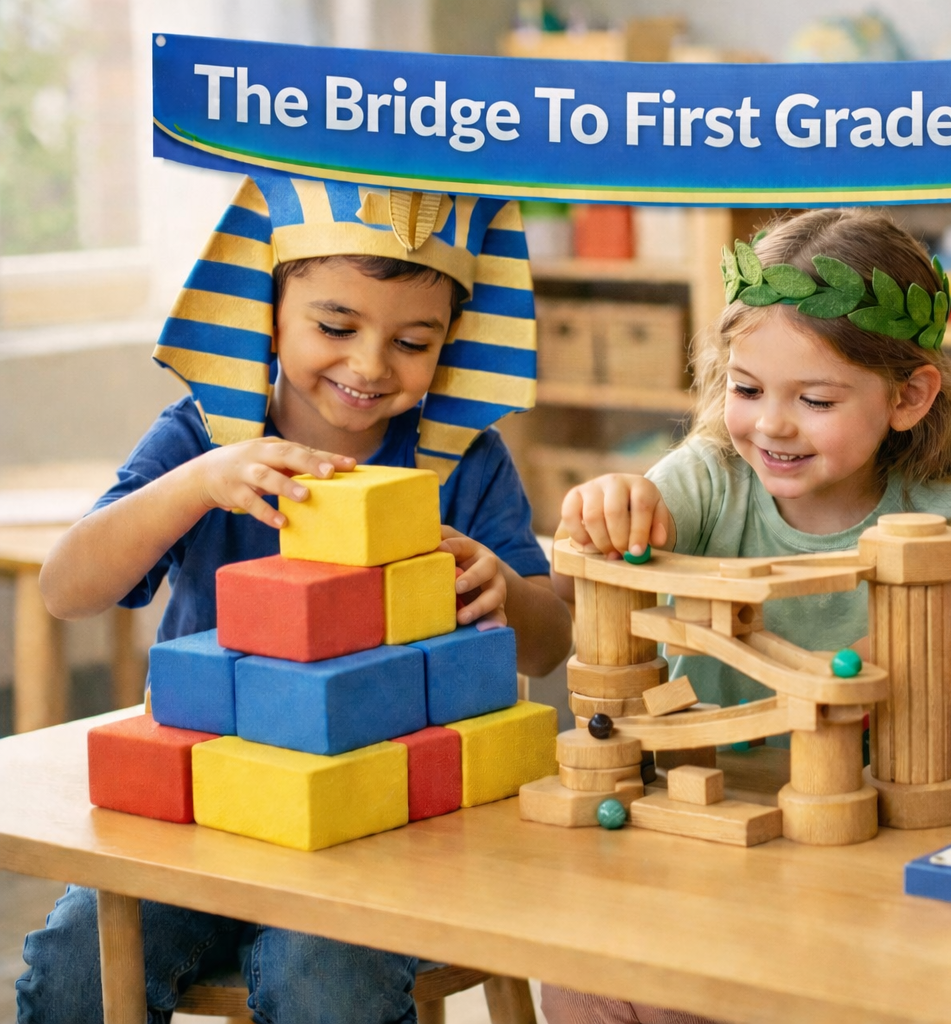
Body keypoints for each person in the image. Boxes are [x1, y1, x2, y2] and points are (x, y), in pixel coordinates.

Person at [17, 174, 572, 1024]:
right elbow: (66, 589)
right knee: (75, 965)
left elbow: (546, 644)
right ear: (267, 310)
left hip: (384, 826)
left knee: (324, 981)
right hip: (203, 813)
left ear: (452, 344)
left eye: (414, 341)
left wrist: (503, 589)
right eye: (335, 325)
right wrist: (197, 485)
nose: (369, 365)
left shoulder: (459, 458)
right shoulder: (203, 439)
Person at [546, 209, 951, 1024]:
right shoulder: (711, 477)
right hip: (717, 836)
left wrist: (926, 653)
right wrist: (604, 506)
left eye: (816, 398)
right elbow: (612, 546)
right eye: (748, 388)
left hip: (878, 855)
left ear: (908, 397)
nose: (771, 423)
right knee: (585, 982)